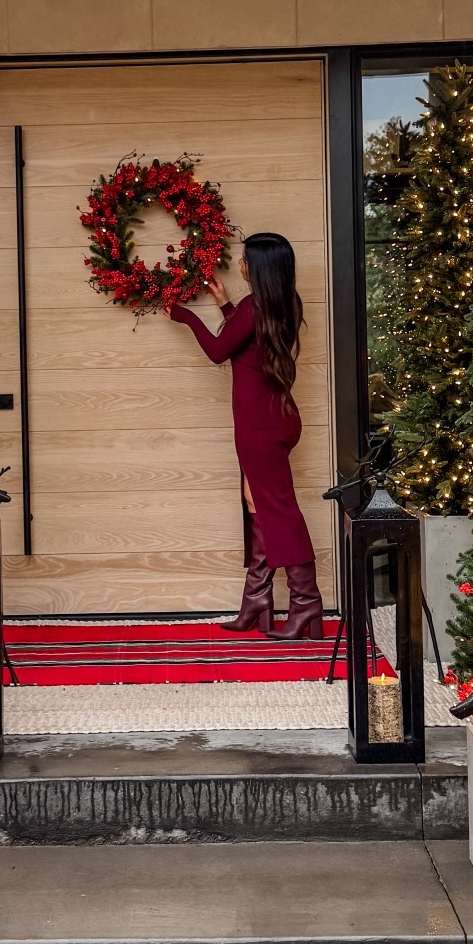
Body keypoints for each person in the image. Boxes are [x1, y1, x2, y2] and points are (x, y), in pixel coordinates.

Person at [168, 231, 324, 639]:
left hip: (260, 426)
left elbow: (220, 350)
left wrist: (185, 316)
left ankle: (306, 602)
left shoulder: (256, 308)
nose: (239, 264)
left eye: (244, 259)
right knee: (257, 505)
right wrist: (224, 303)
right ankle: (256, 600)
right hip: (275, 419)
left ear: (258, 269)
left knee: (279, 511)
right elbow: (248, 342)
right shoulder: (281, 304)